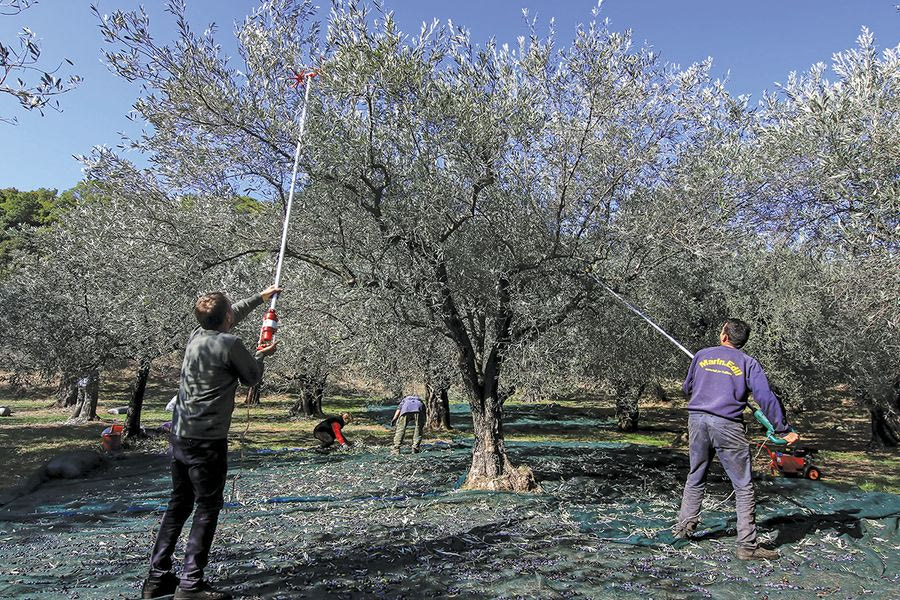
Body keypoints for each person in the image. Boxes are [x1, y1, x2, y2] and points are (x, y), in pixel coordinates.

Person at [141, 286, 280, 600]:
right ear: (227, 317)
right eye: (231, 311)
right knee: (207, 508)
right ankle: (190, 585)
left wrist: (261, 297)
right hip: (207, 442)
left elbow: (228, 313)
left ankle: (156, 579)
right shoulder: (231, 343)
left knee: (178, 506)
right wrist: (261, 353)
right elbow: (252, 377)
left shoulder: (196, 336)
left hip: (179, 436)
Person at [674, 318, 800, 561]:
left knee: (696, 475)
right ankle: (747, 546)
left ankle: (683, 531)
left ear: (724, 336)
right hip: (727, 425)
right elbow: (765, 396)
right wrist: (783, 429)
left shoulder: (701, 355)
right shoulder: (748, 363)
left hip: (697, 421)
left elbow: (686, 389)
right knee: (743, 486)